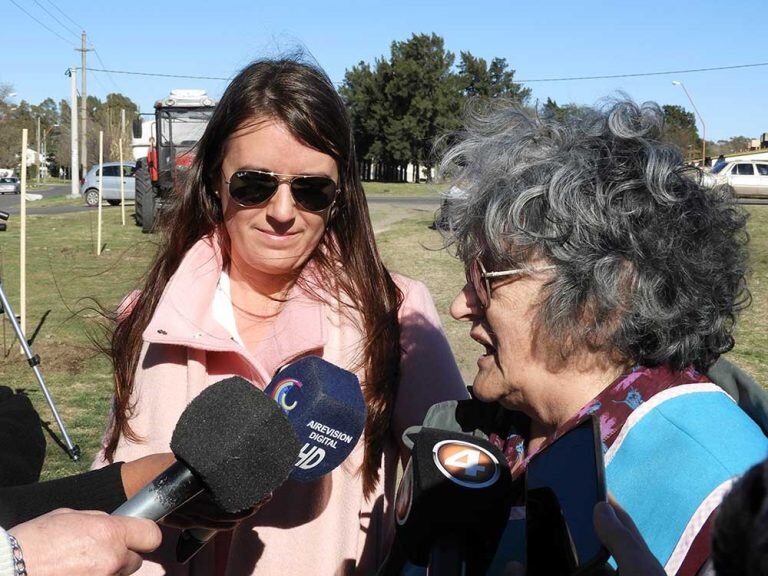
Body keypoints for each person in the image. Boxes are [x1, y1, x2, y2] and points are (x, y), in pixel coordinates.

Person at [93, 57, 467, 575]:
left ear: (339, 198)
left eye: (311, 189)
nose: (283, 211)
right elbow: (109, 486)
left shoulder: (397, 313)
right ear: (215, 182)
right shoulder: (147, 315)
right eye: (254, 184)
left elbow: (455, 492)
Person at [434, 99, 767, 575]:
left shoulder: (733, 497)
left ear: (602, 302)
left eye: (486, 277)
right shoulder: (501, 429)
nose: (459, 305)